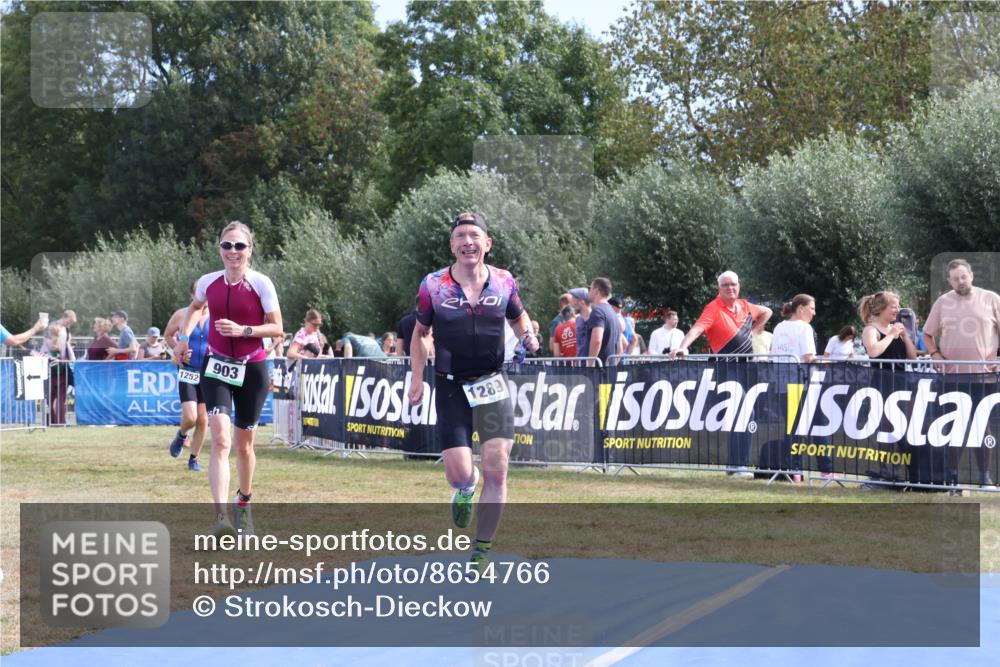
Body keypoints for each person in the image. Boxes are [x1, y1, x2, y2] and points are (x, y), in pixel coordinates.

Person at [407, 212, 539, 572]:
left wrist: (528, 335)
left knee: (498, 468)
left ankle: (482, 550)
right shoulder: (433, 285)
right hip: (450, 385)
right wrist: (416, 377)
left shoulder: (504, 281)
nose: (468, 242)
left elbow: (518, 317)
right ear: (451, 245)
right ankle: (465, 488)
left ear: (487, 244)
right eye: (461, 236)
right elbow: (420, 333)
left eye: (474, 236)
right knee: (459, 472)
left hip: (491, 382)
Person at [174, 221, 283, 537]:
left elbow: (277, 328)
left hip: (252, 368)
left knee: (243, 446)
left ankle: (244, 502)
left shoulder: (261, 283)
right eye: (227, 245)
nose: (233, 252)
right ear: (219, 249)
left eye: (239, 246)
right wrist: (184, 336)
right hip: (216, 366)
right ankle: (221, 518)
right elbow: (195, 308)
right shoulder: (208, 282)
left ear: (250, 250)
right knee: (220, 438)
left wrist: (244, 331)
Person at [671, 271, 773, 478]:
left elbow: (767, 311)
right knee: (742, 414)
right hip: (727, 369)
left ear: (739, 286)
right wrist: (682, 347)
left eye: (733, 284)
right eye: (725, 285)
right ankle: (737, 465)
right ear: (719, 288)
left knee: (745, 414)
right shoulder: (713, 308)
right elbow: (697, 329)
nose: (730, 288)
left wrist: (754, 329)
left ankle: (736, 465)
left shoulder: (745, 306)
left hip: (747, 369)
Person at [923, 259, 1000, 487]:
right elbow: (927, 334)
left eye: (964, 276)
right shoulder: (943, 302)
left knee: (982, 425)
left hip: (984, 376)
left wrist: (997, 357)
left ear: (972, 275)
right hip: (952, 377)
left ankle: (984, 477)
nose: (961, 281)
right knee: (955, 426)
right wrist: (935, 354)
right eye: (955, 279)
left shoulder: (991, 299)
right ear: (949, 281)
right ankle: (952, 477)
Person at [164, 280, 211, 472]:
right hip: (188, 370)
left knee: (203, 419)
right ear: (193, 295)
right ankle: (182, 434)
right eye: (199, 294)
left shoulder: (217, 315)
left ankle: (194, 459)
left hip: (209, 372)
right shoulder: (181, 314)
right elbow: (168, 335)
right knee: (191, 417)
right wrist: (178, 350)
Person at [36, 324, 73, 424]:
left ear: (49, 333)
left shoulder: (46, 344)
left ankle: (50, 421)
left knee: (49, 399)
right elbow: (73, 359)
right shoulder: (65, 344)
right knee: (61, 399)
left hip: (49, 375)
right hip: (62, 375)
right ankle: (60, 421)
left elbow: (40, 356)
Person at [585, 278, 623, 365]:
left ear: (596, 291)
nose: (589, 291)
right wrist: (614, 364)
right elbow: (621, 346)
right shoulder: (612, 312)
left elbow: (597, 340)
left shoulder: (598, 311)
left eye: (590, 288)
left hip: (599, 371)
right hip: (610, 370)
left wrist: (590, 364)